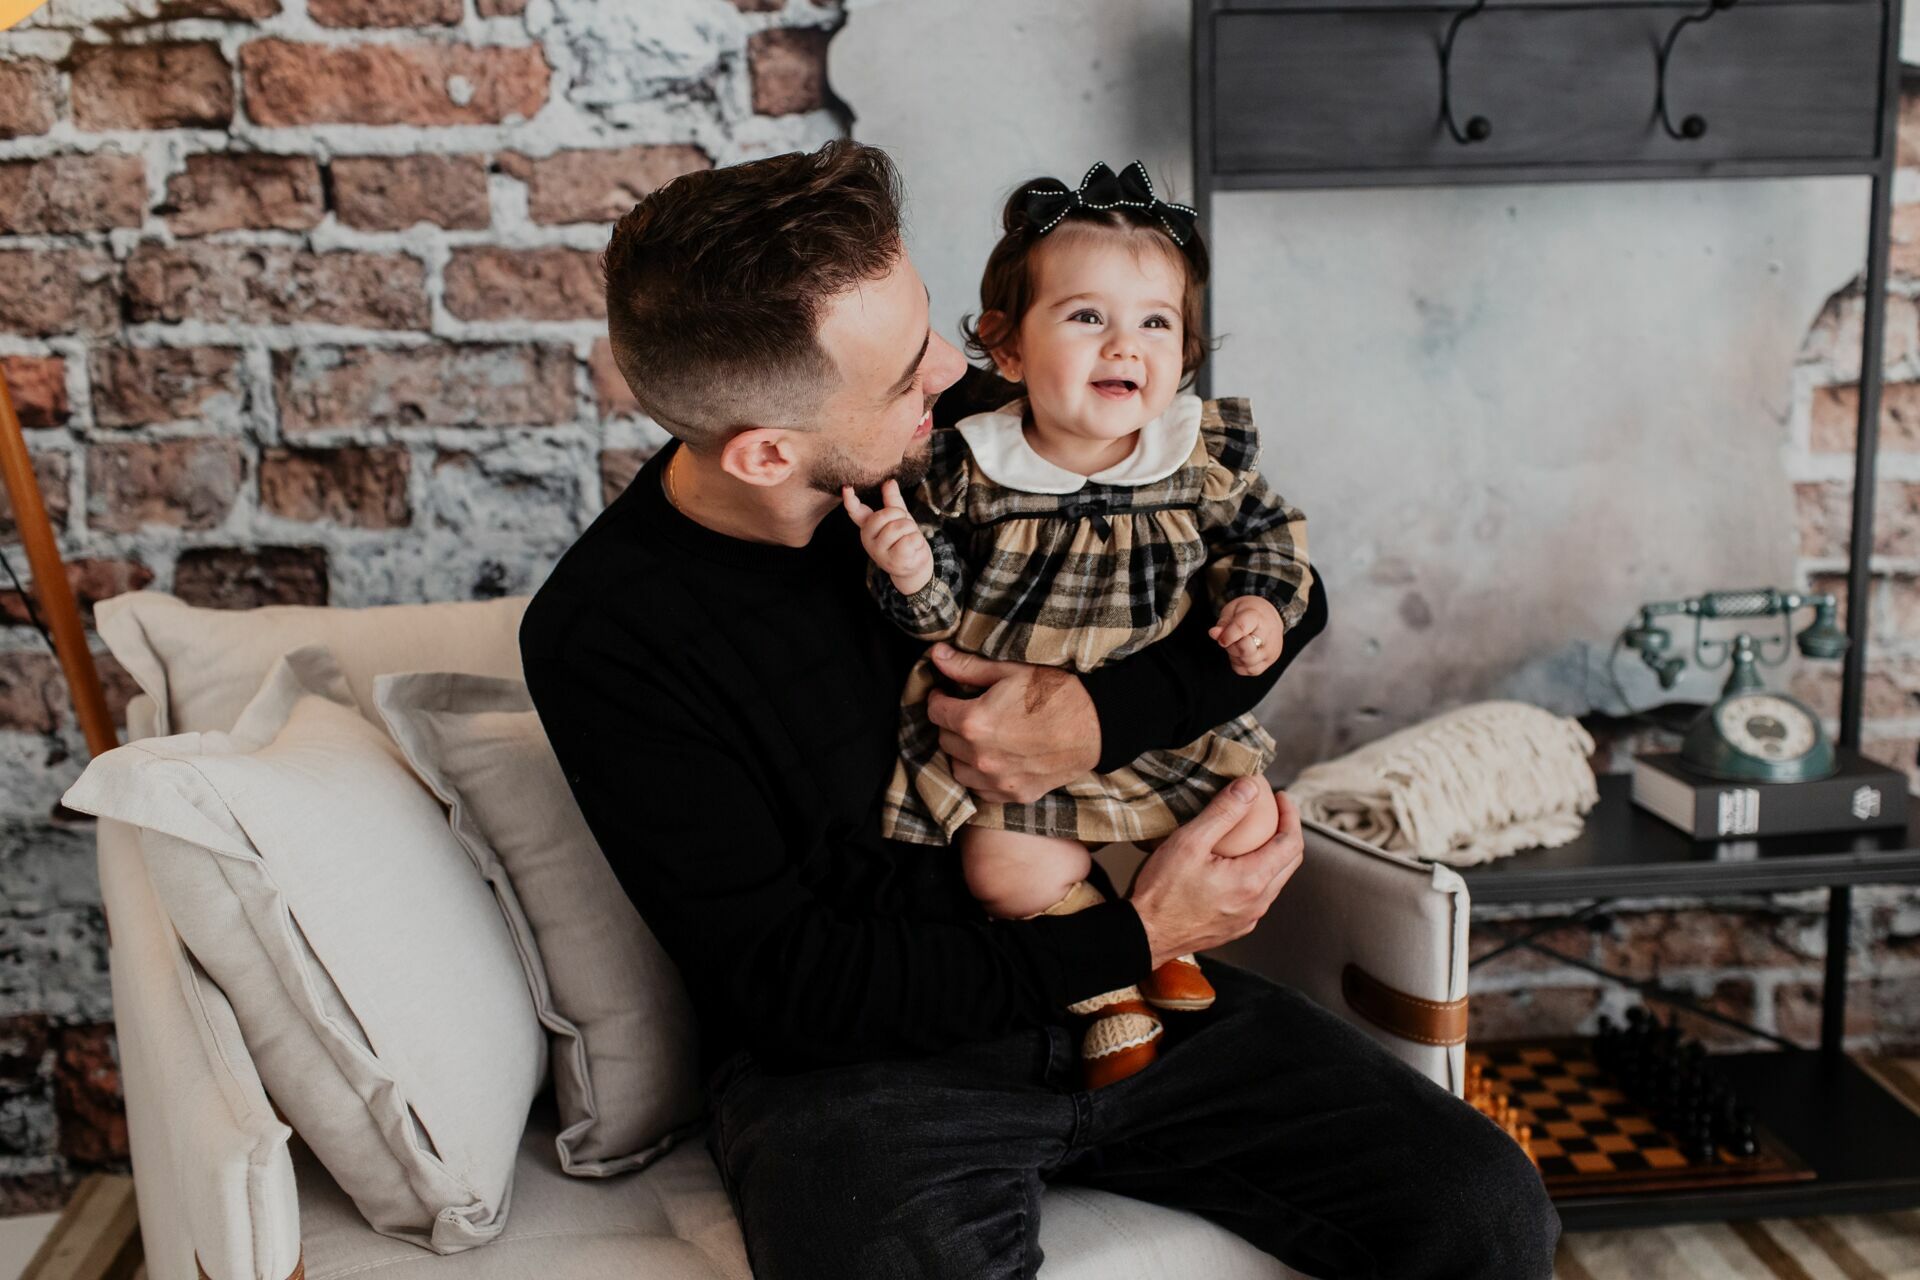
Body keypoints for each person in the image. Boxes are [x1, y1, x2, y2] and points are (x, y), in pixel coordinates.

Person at [519, 139, 1560, 1279]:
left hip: (1142, 987)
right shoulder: (610, 636)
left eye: (931, 330)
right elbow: (794, 987)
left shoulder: (973, 429)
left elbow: (1282, 589)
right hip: (869, 1070)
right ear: (768, 452)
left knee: (1484, 1209)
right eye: (907, 374)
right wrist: (1144, 931)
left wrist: (1098, 720)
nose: (954, 368)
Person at [844, 159, 1312, 1089]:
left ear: (1186, 350)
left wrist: (1261, 602)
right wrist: (910, 570)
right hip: (1006, 749)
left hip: (1165, 732)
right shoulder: (968, 467)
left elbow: (1269, 538)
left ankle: (1170, 939)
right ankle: (1109, 985)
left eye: (1156, 323)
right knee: (1000, 867)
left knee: (1252, 820)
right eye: (1087, 317)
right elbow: (934, 620)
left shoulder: (1197, 456)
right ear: (1006, 347)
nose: (1125, 346)